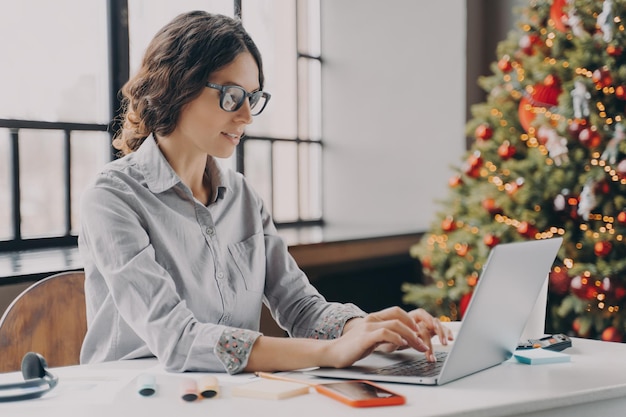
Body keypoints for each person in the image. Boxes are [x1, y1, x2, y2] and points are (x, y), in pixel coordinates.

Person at [78, 10, 452, 374]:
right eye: (231, 96)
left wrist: (367, 331)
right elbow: (179, 340)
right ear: (177, 85)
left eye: (252, 98)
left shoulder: (242, 197)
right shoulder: (112, 198)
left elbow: (301, 308)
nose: (246, 117)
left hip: (228, 397)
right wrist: (330, 351)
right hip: (134, 396)